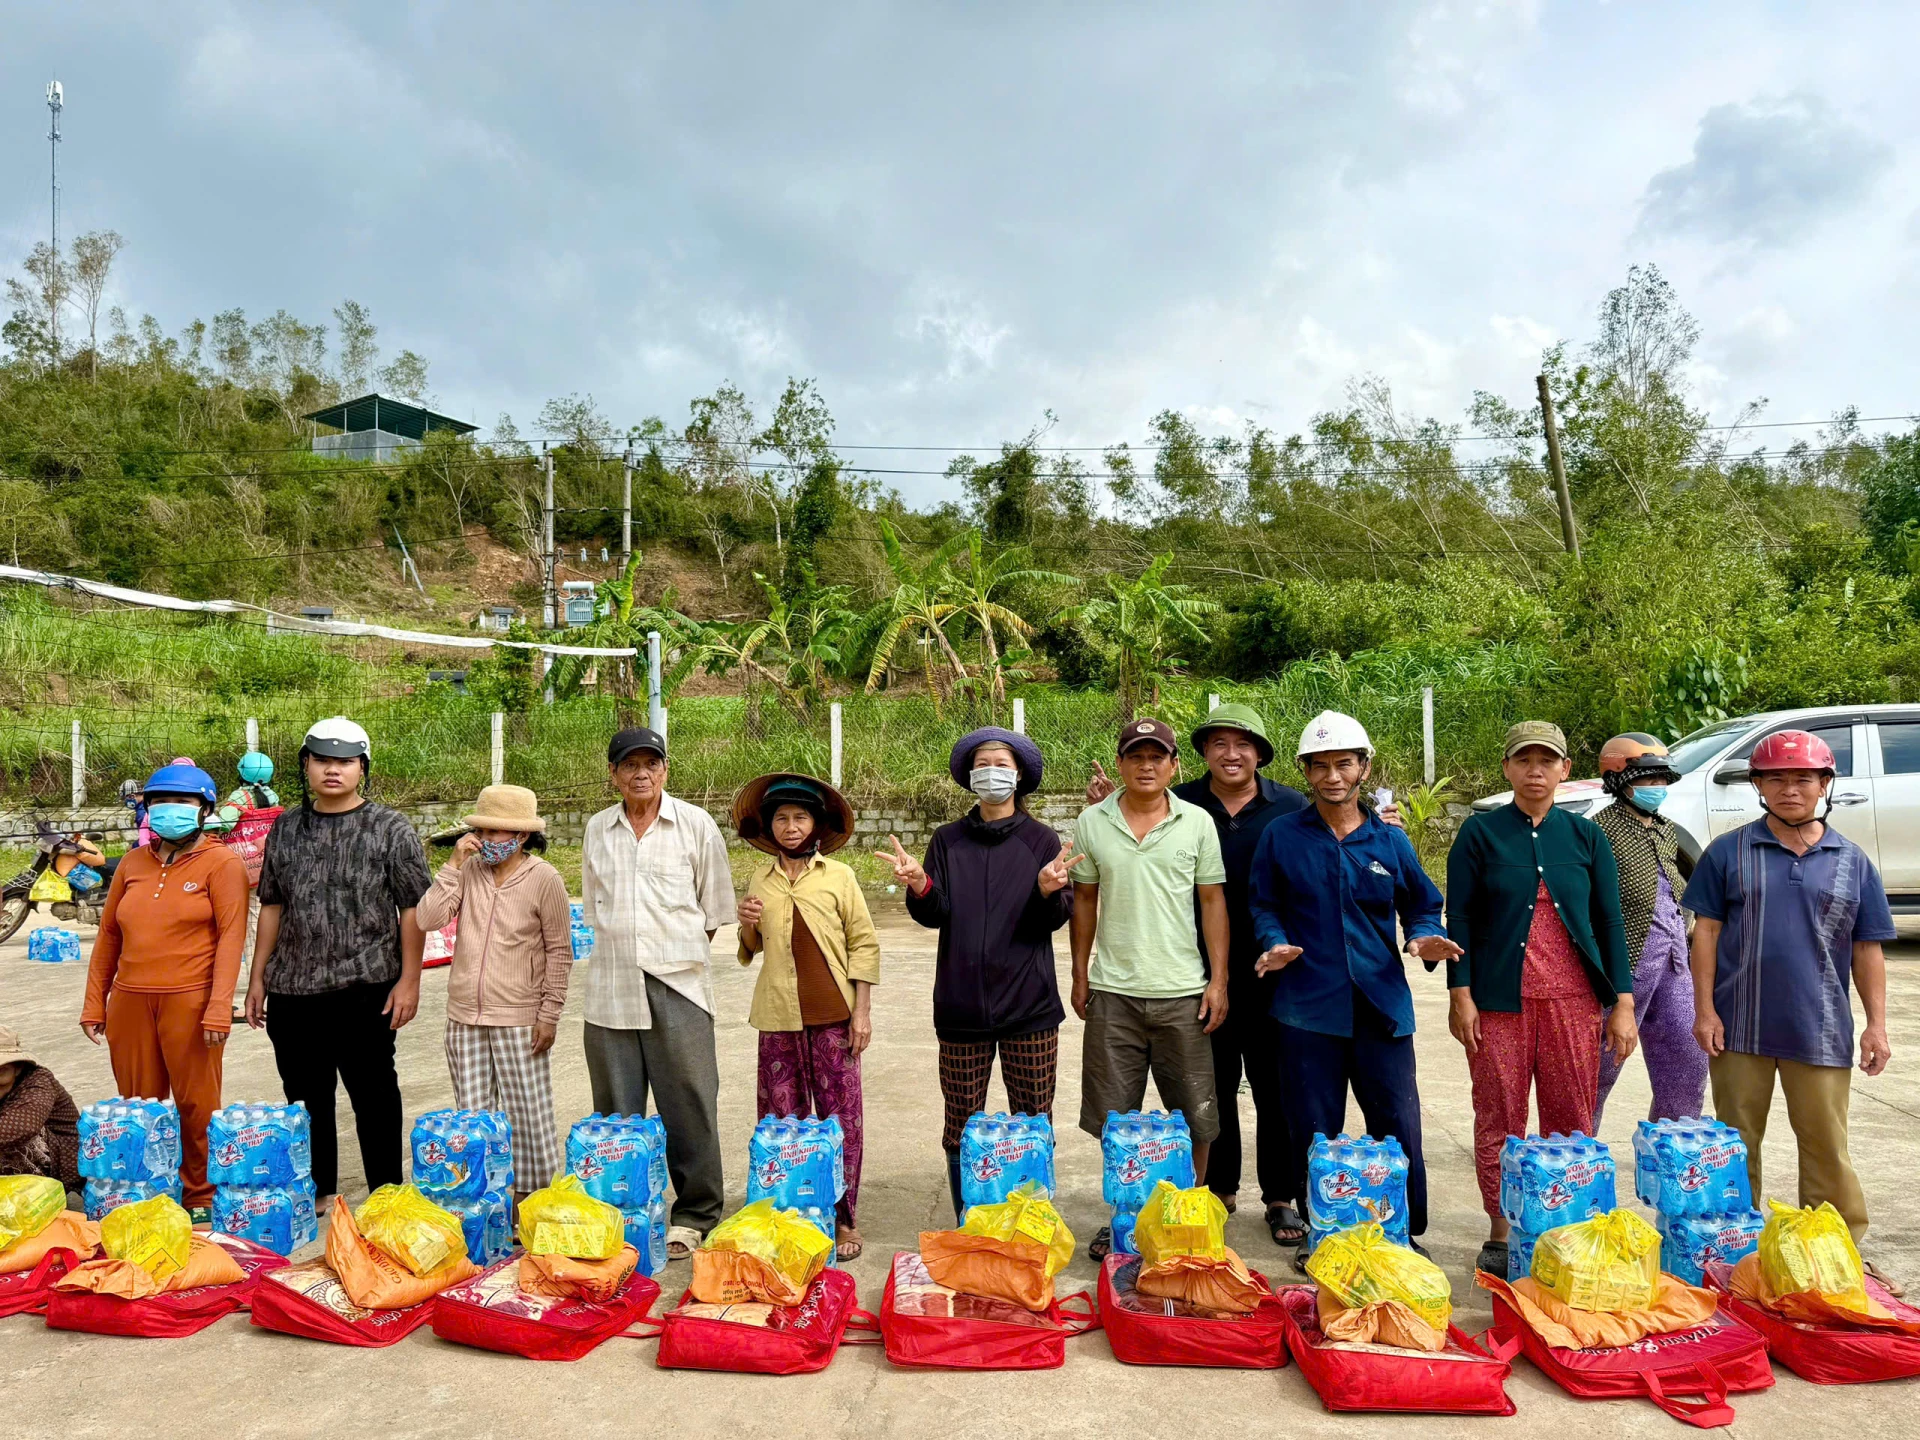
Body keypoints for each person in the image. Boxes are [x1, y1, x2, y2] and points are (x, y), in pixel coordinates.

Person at [1685, 728, 1900, 1292]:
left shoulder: (1852, 861)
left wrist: (1876, 1025)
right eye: (1774, 778)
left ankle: (1836, 1256)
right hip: (1739, 1027)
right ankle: (1733, 1254)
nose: (1789, 788)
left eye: (1803, 777)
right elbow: (1704, 934)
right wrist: (1703, 1010)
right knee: (1734, 1147)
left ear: (1825, 784)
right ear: (1757, 786)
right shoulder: (1728, 852)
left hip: (1821, 1026)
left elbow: (1867, 947)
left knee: (1826, 1146)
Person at [1248, 710, 1456, 1268]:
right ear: (1306, 773)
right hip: (1306, 1008)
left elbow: (1422, 903)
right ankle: (1326, 1233)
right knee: (1315, 1129)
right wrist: (1273, 940)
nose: (1332, 776)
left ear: (1364, 768)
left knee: (1397, 1123)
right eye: (1319, 766)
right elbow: (1263, 902)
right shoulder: (1282, 837)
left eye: (1344, 763)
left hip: (1381, 1007)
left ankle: (1401, 1233)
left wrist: (1424, 937)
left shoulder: (1388, 840)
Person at [1446, 720, 1636, 1278]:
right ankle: (1501, 1229)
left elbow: (1609, 920)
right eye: (1524, 760)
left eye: (1546, 761)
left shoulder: (1585, 838)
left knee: (1570, 1117)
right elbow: (1459, 916)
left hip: (1574, 1002)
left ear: (1564, 771)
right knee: (1500, 1117)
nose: (1535, 771)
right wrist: (1461, 993)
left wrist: (1621, 1002)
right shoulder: (1480, 835)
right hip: (1499, 1002)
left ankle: (1562, 1226)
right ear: (1506, 768)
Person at [882, 727, 1073, 1223]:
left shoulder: (1041, 839)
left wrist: (1049, 892)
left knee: (1033, 1119)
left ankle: (1033, 1221)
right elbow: (934, 913)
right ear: (970, 775)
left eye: (1002, 763)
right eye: (983, 763)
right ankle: (970, 1220)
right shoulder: (947, 840)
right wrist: (921, 884)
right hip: (961, 1006)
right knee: (962, 1124)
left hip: (1029, 1007)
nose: (992, 770)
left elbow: (1052, 920)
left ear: (1019, 775)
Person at [244, 718, 433, 1208]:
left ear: (362, 769)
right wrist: (257, 978)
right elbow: (272, 904)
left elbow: (413, 908)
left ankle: (387, 1191)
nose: (333, 770)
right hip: (292, 988)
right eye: (323, 759)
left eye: (345, 761)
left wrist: (409, 980)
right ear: (305, 765)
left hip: (367, 985)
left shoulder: (390, 828)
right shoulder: (285, 828)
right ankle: (320, 1189)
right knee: (305, 1097)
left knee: (374, 1094)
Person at [1071, 717, 1229, 1261]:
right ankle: (1123, 1212)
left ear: (1173, 765)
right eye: (1135, 756)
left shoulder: (1197, 823)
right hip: (1114, 990)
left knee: (1195, 1113)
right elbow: (1085, 901)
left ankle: (1189, 1211)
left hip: (1183, 990)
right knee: (1115, 1116)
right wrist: (1079, 973)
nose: (1146, 765)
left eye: (1156, 756)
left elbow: (1212, 901)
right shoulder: (1092, 823)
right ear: (1120, 763)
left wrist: (1218, 979)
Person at [579, 727, 735, 1256]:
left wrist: (671, 954)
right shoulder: (597, 828)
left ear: (665, 769)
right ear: (614, 775)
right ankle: (623, 1212)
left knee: (689, 1103)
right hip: (610, 987)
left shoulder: (695, 824)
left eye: (651, 763)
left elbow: (713, 910)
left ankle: (695, 1213)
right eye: (629, 765)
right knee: (616, 1111)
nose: (641, 773)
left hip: (679, 986)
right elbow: (594, 904)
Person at [78, 762, 248, 1222]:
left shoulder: (222, 863)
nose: (170, 809)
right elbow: (109, 936)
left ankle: (201, 1196)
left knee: (198, 1106)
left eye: (184, 801)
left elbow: (232, 938)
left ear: (205, 809)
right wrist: (95, 1002)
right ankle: (152, 1190)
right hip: (129, 1001)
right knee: (139, 1105)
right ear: (147, 809)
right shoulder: (133, 864)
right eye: (159, 801)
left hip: (190, 1001)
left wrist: (218, 1008)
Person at [735, 773, 879, 1261]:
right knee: (782, 1121)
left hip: (836, 1017)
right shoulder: (761, 878)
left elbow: (864, 944)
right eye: (781, 818)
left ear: (815, 826)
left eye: (800, 818)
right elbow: (751, 948)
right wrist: (746, 924)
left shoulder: (839, 877)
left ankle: (842, 1218)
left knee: (841, 1122)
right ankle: (789, 1215)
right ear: (770, 827)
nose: (790, 826)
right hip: (777, 1016)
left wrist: (862, 1013)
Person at [415, 785, 573, 1201]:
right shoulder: (467, 872)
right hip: (464, 1016)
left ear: (520, 836)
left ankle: (535, 1203)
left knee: (528, 1117)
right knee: (472, 1118)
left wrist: (549, 1014)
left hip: (520, 1018)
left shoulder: (544, 879)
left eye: (494, 833)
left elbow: (560, 950)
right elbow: (428, 919)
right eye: (480, 831)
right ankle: (486, 1203)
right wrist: (451, 864)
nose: (484, 841)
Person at [1591, 734, 1706, 1124]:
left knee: (1687, 1058)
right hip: (1623, 965)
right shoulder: (1599, 831)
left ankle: (1673, 1148)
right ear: (1617, 781)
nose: (1656, 789)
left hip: (1674, 961)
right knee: (1601, 1066)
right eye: (1646, 781)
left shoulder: (1666, 829)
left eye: (1661, 781)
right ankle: (1576, 1152)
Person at [0, 1026, 81, 1200]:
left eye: (1, 1072)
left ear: (18, 1068)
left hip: (63, 1164)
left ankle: (31, 1200)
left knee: (15, 1138)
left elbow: (20, 1129)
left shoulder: (39, 1080)